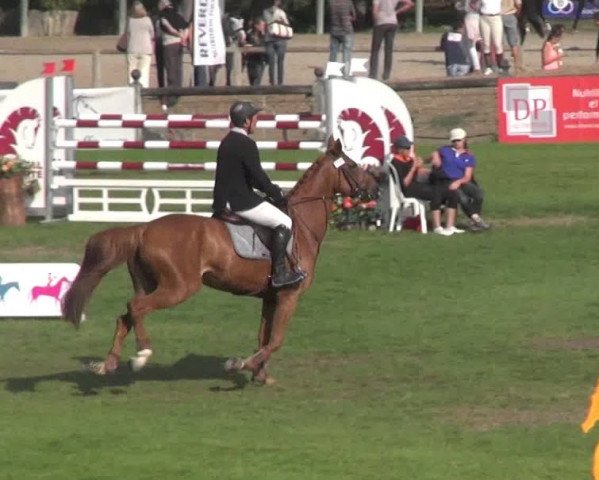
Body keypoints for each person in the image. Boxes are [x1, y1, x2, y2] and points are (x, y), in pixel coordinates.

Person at [212, 101, 305, 289]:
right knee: (284, 221)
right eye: (255, 118)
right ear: (246, 121)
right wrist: (276, 193)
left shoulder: (226, 141)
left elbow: (247, 177)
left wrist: (267, 191)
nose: (257, 121)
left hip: (224, 200)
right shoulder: (246, 144)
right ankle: (280, 273)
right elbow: (258, 178)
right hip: (240, 202)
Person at [390, 135, 464, 236]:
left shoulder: (409, 159)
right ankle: (437, 226)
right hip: (408, 190)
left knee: (451, 192)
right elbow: (405, 183)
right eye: (406, 148)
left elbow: (418, 173)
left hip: (416, 185)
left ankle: (450, 225)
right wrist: (413, 168)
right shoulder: (396, 162)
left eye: (409, 148)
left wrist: (424, 169)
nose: (409, 150)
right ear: (399, 150)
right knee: (435, 193)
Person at [430, 128, 490, 232]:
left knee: (478, 194)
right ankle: (476, 219)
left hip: (461, 180)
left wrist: (459, 182)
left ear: (464, 140)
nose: (456, 143)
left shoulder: (468, 156)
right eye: (454, 141)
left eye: (458, 140)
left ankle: (474, 219)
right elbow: (432, 156)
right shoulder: (445, 150)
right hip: (447, 181)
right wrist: (434, 155)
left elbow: (467, 176)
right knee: (462, 198)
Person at [369, 0, 414, 81]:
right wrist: (396, 12)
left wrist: (375, 20)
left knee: (375, 50)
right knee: (388, 50)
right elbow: (410, 3)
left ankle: (373, 74)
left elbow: (375, 10)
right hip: (392, 21)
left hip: (381, 22)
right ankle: (386, 74)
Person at [157, 0, 188, 107]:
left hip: (169, 44)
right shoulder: (178, 15)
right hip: (179, 44)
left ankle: (172, 93)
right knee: (178, 67)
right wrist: (183, 37)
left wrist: (178, 34)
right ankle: (179, 89)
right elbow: (186, 26)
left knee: (170, 68)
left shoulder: (163, 16)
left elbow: (169, 28)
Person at [125, 1, 154, 88]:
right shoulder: (147, 20)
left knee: (131, 69)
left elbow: (128, 33)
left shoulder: (130, 20)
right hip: (145, 48)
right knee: (144, 71)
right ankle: (144, 89)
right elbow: (152, 34)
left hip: (132, 48)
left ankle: (131, 88)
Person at [263, 0, 291, 85]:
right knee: (271, 62)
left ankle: (280, 82)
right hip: (270, 39)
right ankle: (272, 82)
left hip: (281, 38)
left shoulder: (282, 12)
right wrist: (277, 15)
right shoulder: (266, 11)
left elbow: (287, 23)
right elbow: (269, 21)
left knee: (280, 62)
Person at [329, 0, 356, 77]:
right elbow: (354, 16)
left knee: (333, 54)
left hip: (334, 30)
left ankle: (332, 75)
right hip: (346, 31)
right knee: (347, 53)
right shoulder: (348, 2)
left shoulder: (332, 2)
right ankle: (346, 74)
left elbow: (331, 16)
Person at [479, 0, 504, 75]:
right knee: (486, 43)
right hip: (484, 18)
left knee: (497, 43)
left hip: (496, 17)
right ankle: (488, 67)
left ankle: (500, 66)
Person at [244, 17, 269, 86]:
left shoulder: (265, 35)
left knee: (257, 77)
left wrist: (253, 46)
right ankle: (252, 92)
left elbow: (265, 45)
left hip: (261, 59)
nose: (263, 27)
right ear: (256, 25)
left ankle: (256, 92)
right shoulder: (249, 34)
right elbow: (245, 43)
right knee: (251, 77)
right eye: (261, 25)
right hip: (251, 58)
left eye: (264, 25)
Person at [501, 0, 523, 74]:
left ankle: (502, 66)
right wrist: (518, 14)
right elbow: (518, 4)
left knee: (501, 43)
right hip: (510, 14)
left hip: (498, 15)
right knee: (514, 43)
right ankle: (517, 67)